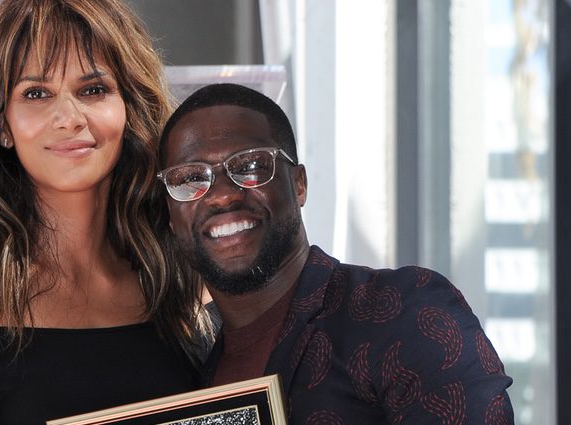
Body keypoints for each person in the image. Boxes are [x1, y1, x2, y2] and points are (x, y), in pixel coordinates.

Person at [0, 1, 209, 424]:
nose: (69, 118)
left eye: (93, 90)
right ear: (3, 124)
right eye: (36, 93)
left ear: (128, 107)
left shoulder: (178, 277)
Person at [157, 83, 514, 424]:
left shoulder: (401, 311)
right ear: (172, 218)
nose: (221, 195)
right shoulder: (192, 368)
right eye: (190, 178)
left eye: (250, 166)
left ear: (299, 184)